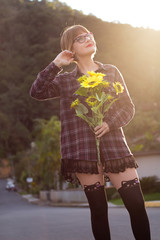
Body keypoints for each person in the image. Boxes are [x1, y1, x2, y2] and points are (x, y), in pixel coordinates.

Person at [30, 25, 151, 240]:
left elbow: (127, 107)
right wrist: (56, 64)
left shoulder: (110, 71)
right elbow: (37, 92)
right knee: (98, 211)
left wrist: (109, 123)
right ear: (70, 49)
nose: (88, 39)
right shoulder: (66, 80)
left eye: (90, 35)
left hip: (114, 146)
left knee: (136, 206)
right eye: (80, 38)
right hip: (83, 151)